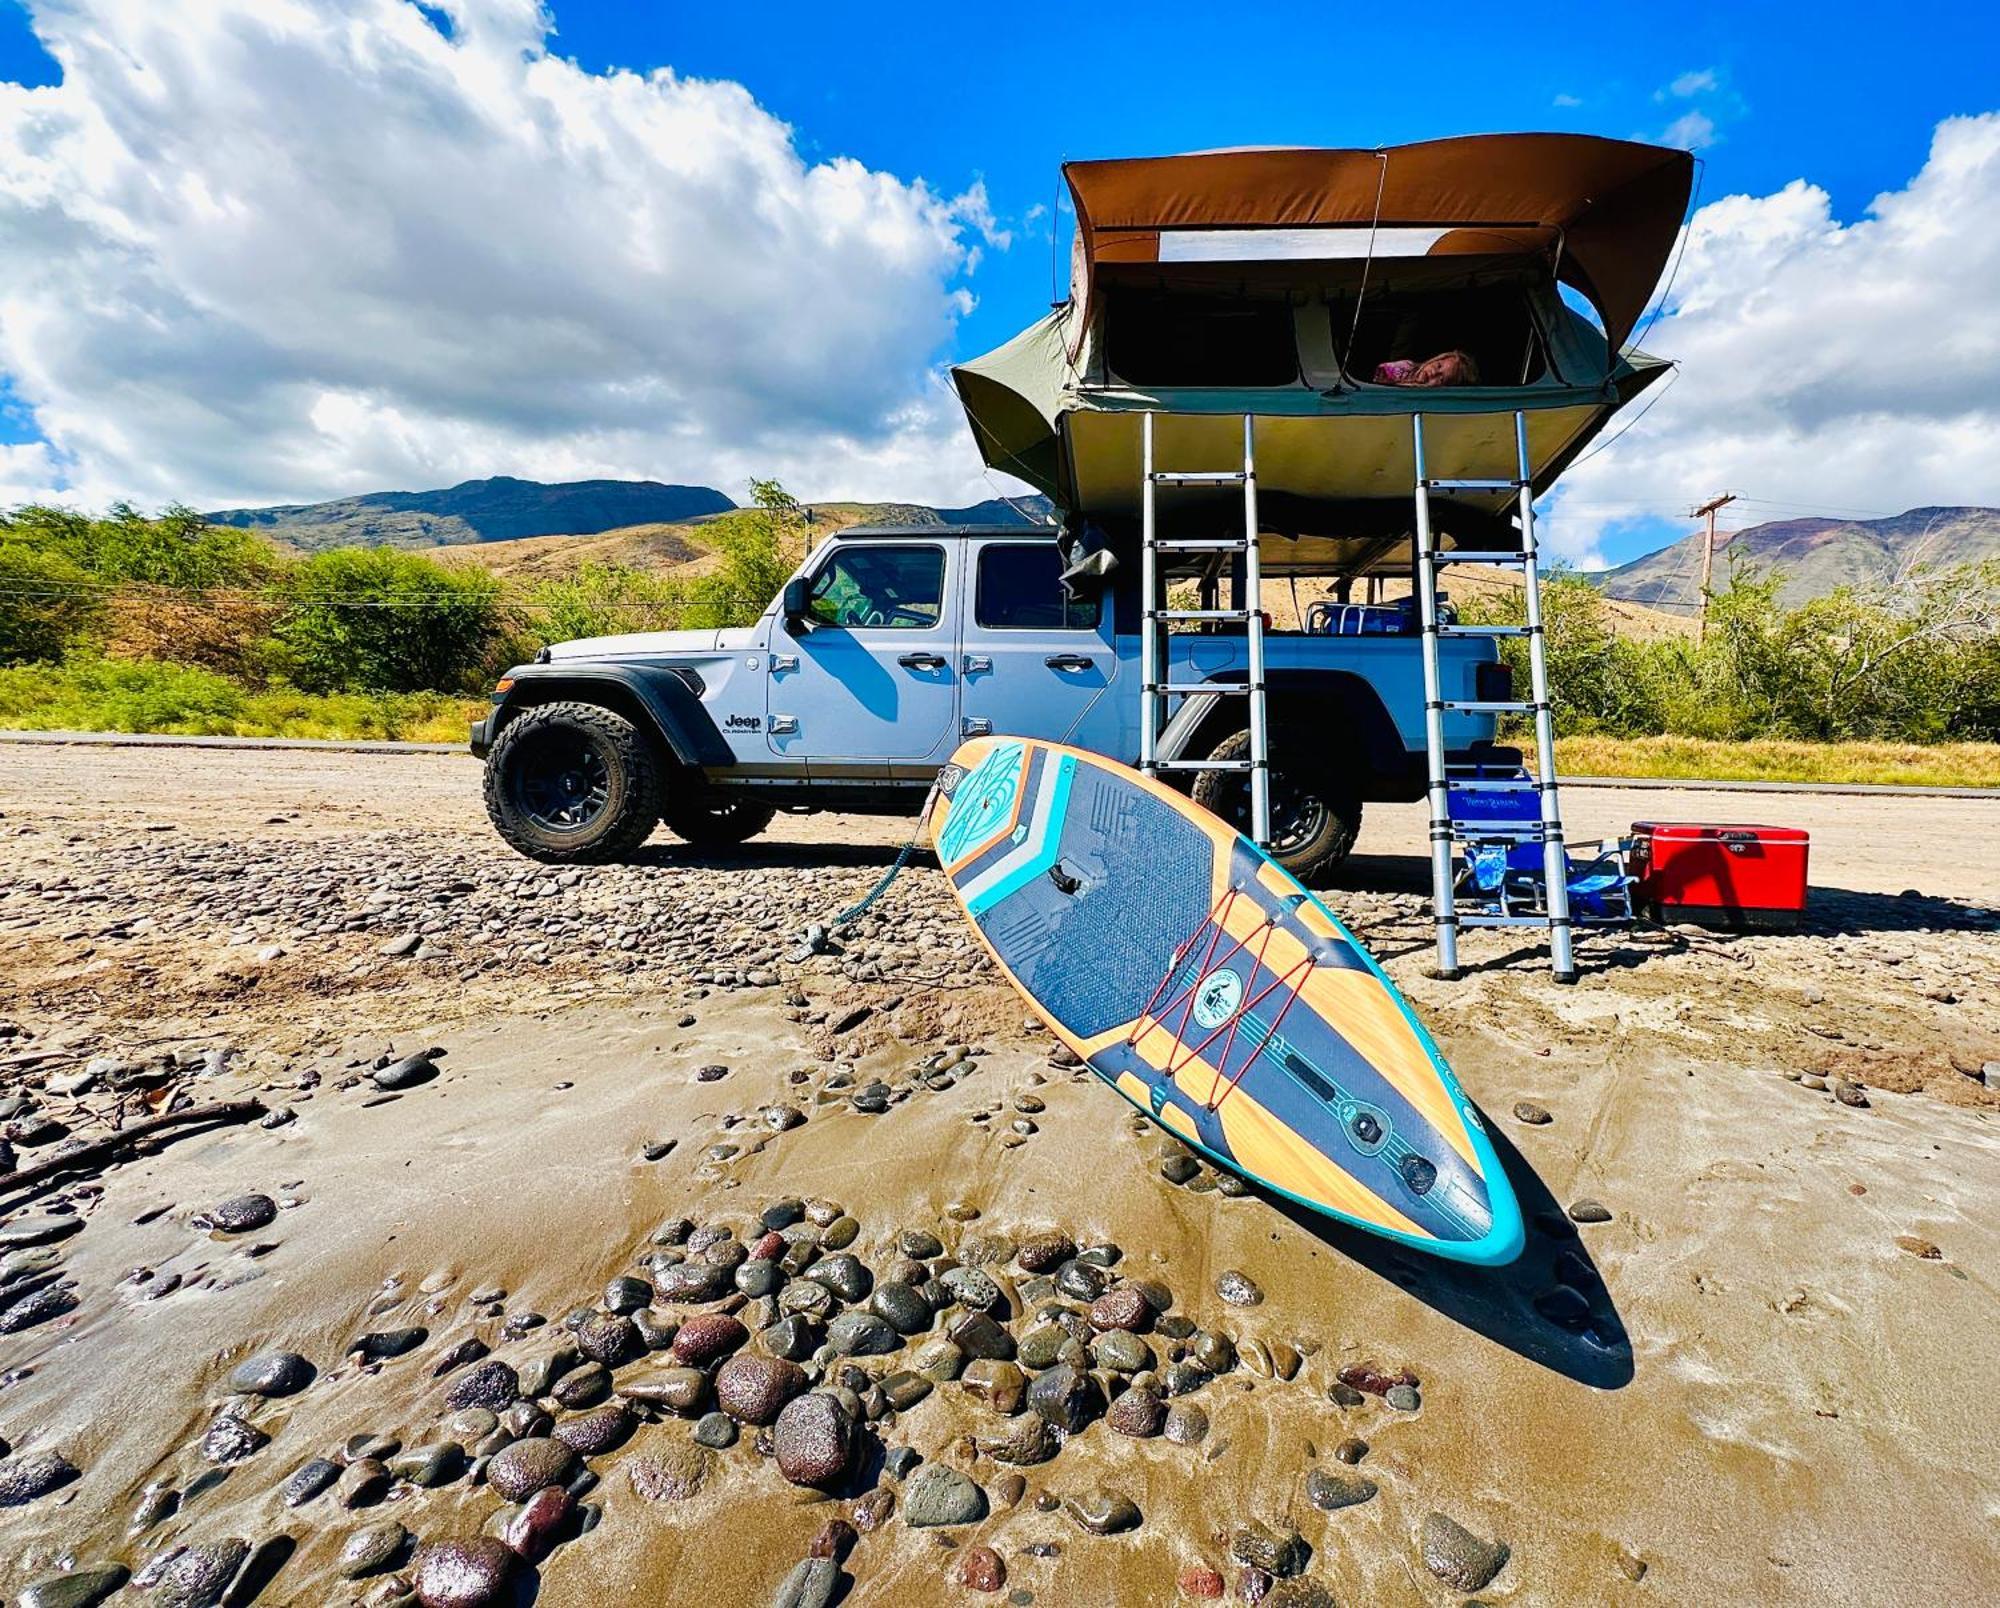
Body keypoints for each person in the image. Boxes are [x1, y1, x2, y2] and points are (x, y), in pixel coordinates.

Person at [1372, 349, 1481, 386]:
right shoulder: (1405, 367)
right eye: (1438, 366)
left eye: (1441, 378)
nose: (1434, 373)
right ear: (1435, 359)